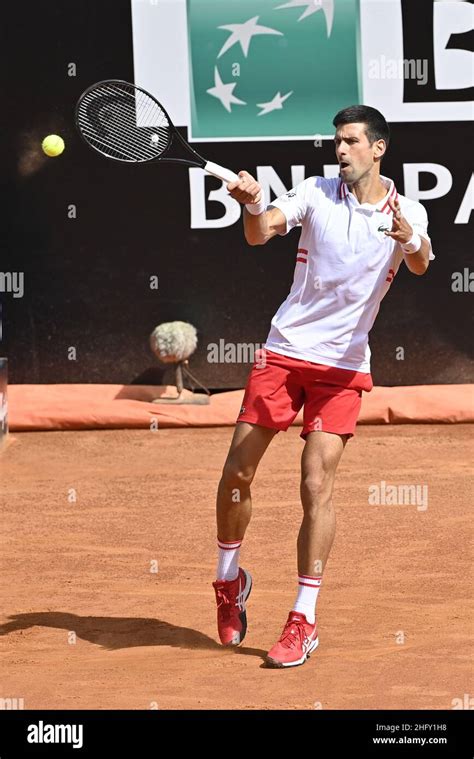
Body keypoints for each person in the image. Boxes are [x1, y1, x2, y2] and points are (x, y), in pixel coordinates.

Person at [212, 105, 434, 668]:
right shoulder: (314, 191)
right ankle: (228, 581)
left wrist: (410, 240)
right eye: (336, 141)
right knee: (237, 470)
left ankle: (302, 619)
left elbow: (424, 265)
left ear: (378, 148)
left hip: (342, 367)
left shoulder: (406, 210)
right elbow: (261, 235)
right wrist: (254, 204)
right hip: (285, 352)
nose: (340, 150)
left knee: (316, 484)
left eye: (352, 141)